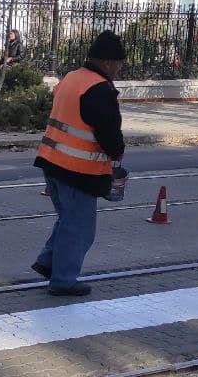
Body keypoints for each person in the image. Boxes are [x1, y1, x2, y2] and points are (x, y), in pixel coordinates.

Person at [31, 30, 127, 296]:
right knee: (80, 228)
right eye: (118, 64)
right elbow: (107, 132)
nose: (119, 69)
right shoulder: (99, 89)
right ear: (107, 62)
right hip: (76, 170)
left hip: (52, 161)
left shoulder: (72, 77)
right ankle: (63, 280)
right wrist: (118, 151)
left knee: (68, 219)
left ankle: (48, 262)